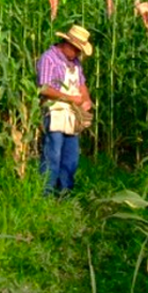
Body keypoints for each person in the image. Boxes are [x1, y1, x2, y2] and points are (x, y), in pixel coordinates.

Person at [36, 25, 93, 195]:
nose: (77, 53)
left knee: (71, 157)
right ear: (67, 43)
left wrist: (86, 100)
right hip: (55, 112)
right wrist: (70, 98)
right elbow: (44, 88)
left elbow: (81, 84)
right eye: (76, 49)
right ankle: (46, 195)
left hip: (72, 115)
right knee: (52, 155)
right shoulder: (49, 58)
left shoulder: (75, 63)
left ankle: (65, 193)